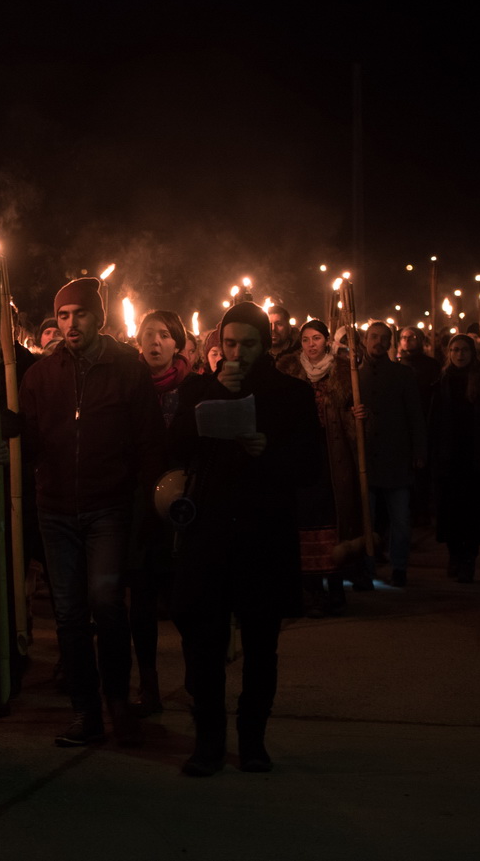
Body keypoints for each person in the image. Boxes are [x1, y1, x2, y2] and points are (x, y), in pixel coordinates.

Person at [167, 301, 328, 775]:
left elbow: (309, 466)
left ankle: (253, 740)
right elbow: (173, 448)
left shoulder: (291, 394)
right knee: (204, 643)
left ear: (266, 344)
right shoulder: (198, 387)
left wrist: (267, 450)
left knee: (261, 644)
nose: (238, 353)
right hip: (210, 533)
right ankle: (209, 741)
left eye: (249, 344)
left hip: (264, 533)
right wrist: (210, 401)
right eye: (230, 343)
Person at [19, 277, 164, 747]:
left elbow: (147, 441)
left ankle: (118, 701)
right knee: (69, 613)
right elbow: (31, 439)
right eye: (62, 315)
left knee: (105, 601)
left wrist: (149, 505)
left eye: (79, 313)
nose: (70, 323)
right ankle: (85, 711)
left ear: (97, 317)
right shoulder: (42, 374)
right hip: (56, 508)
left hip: (109, 505)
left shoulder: (127, 368)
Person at [277, 318, 368, 610]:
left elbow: (351, 419)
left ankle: (336, 587)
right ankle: (311, 590)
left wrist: (357, 417)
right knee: (305, 523)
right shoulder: (289, 372)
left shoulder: (343, 372)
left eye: (316, 338)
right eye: (305, 339)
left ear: (327, 341)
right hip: (303, 457)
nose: (311, 344)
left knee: (333, 522)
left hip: (333, 457)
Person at [129, 309, 190, 713]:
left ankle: (196, 678)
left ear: (177, 344)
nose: (155, 341)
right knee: (142, 599)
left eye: (164, 335)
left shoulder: (196, 389)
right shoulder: (125, 386)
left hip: (185, 510)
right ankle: (148, 683)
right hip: (137, 507)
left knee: (186, 599)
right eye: (148, 334)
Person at [428, 334, 480, 583]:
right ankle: (454, 554)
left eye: (464, 350)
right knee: (451, 511)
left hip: (477, 457)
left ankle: (469, 557)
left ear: (472, 354)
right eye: (455, 350)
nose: (460, 354)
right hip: (449, 457)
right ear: (448, 353)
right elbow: (434, 421)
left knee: (474, 511)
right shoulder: (442, 382)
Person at [357, 320, 427, 587]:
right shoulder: (355, 374)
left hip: (396, 456)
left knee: (400, 519)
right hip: (367, 459)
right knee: (367, 519)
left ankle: (399, 566)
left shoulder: (402, 374)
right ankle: (367, 567)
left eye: (383, 338)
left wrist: (419, 450)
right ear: (365, 339)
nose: (378, 342)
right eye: (373, 336)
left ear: (390, 342)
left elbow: (415, 415)